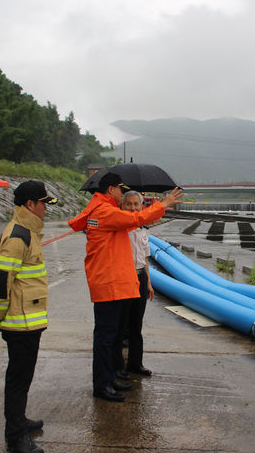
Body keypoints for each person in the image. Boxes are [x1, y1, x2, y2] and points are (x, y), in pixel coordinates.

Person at [68, 172, 183, 402]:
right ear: (111, 189)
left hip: (112, 282)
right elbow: (134, 219)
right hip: (108, 283)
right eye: (121, 190)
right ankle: (102, 385)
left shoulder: (100, 209)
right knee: (106, 338)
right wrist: (163, 205)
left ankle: (109, 378)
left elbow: (125, 220)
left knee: (111, 336)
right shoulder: (104, 211)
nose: (123, 194)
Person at [0, 180, 58, 453]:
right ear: (31, 204)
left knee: (23, 376)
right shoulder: (19, 235)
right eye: (43, 204)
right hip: (20, 322)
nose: (46, 209)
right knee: (18, 378)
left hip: (28, 319)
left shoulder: (28, 231)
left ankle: (19, 421)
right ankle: (16, 436)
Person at [113, 190, 154, 379]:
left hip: (140, 277)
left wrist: (149, 283)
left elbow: (145, 258)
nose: (132, 208)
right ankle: (118, 368)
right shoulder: (119, 229)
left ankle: (136, 364)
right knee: (122, 326)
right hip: (124, 278)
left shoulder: (144, 228)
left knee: (137, 325)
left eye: (136, 204)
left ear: (141, 206)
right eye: (128, 204)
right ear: (121, 206)